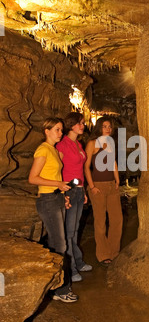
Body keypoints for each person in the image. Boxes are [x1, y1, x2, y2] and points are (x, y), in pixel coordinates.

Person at [28, 117, 78, 303]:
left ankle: (52, 286)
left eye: (61, 130)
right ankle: (60, 289)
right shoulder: (43, 149)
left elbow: (54, 174)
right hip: (47, 200)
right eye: (57, 129)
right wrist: (57, 184)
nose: (60, 133)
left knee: (56, 242)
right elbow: (33, 178)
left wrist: (62, 193)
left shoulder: (54, 151)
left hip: (56, 197)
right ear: (46, 131)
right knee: (60, 245)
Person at [56, 112, 92, 282]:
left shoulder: (78, 144)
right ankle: (71, 269)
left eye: (83, 123)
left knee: (75, 229)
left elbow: (81, 170)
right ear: (71, 125)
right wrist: (62, 193)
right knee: (69, 232)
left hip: (77, 190)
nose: (82, 126)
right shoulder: (62, 145)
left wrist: (83, 190)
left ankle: (77, 261)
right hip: (68, 190)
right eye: (80, 123)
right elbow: (57, 169)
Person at [84, 116, 123, 267]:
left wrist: (117, 179)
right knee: (100, 222)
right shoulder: (92, 143)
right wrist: (92, 186)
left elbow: (113, 162)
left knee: (117, 220)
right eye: (105, 126)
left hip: (111, 185)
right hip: (98, 186)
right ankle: (103, 254)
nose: (108, 129)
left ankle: (114, 252)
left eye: (110, 127)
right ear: (99, 128)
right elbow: (86, 166)